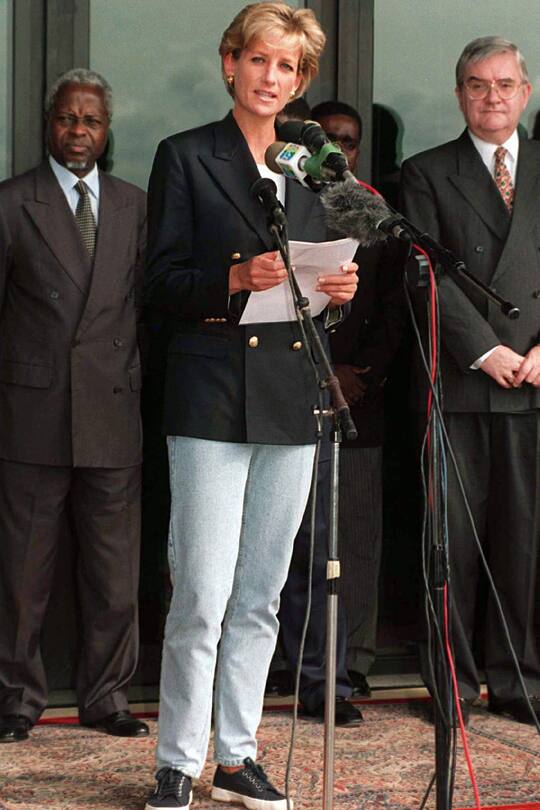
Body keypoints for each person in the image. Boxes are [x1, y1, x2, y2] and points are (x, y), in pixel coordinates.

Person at [143, 4, 358, 809]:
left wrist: (338, 293)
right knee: (201, 590)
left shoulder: (314, 165)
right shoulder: (186, 156)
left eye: (290, 68)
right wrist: (233, 281)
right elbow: (157, 287)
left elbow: (321, 281)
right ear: (230, 62)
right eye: (260, 61)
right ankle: (176, 759)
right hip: (209, 396)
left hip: (292, 398)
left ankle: (236, 756)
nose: (273, 79)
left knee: (262, 593)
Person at [0, 69, 148, 742]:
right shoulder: (11, 203)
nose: (78, 131)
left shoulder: (132, 204)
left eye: (90, 120)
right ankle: (16, 699)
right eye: (67, 119)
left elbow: (144, 311)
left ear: (106, 129)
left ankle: (107, 696)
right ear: (48, 124)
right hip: (31, 413)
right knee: (21, 575)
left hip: (112, 411)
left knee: (114, 573)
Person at [401, 36, 540, 726]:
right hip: (459, 384)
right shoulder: (426, 172)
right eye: (479, 85)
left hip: (535, 384)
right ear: (460, 94)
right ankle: (449, 685)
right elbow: (424, 270)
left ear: (527, 92)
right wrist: (484, 350)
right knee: (450, 545)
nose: (493, 97)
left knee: (524, 543)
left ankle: (519, 682)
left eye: (505, 84)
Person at [276, 100, 407, 721]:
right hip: (282, 391)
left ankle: (339, 671)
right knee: (283, 543)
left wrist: (359, 377)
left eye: (348, 141)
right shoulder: (277, 195)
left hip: (356, 400)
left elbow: (391, 311)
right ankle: (284, 664)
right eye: (327, 138)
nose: (339, 148)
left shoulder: (369, 209)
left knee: (345, 542)